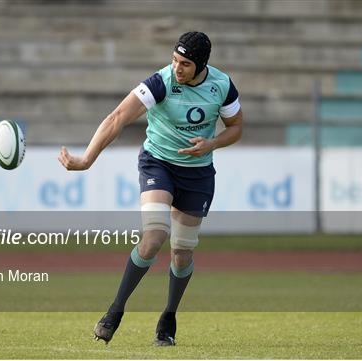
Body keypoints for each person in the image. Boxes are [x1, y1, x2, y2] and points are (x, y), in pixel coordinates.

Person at [58, 31, 243, 346]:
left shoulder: (221, 86)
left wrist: (211, 143)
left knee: (182, 252)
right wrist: (88, 158)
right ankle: (115, 310)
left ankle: (168, 316)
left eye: (184, 63)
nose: (176, 68)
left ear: (201, 66)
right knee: (154, 237)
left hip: (197, 175)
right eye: (174, 60)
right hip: (158, 163)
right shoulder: (160, 82)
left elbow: (237, 128)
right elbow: (118, 117)